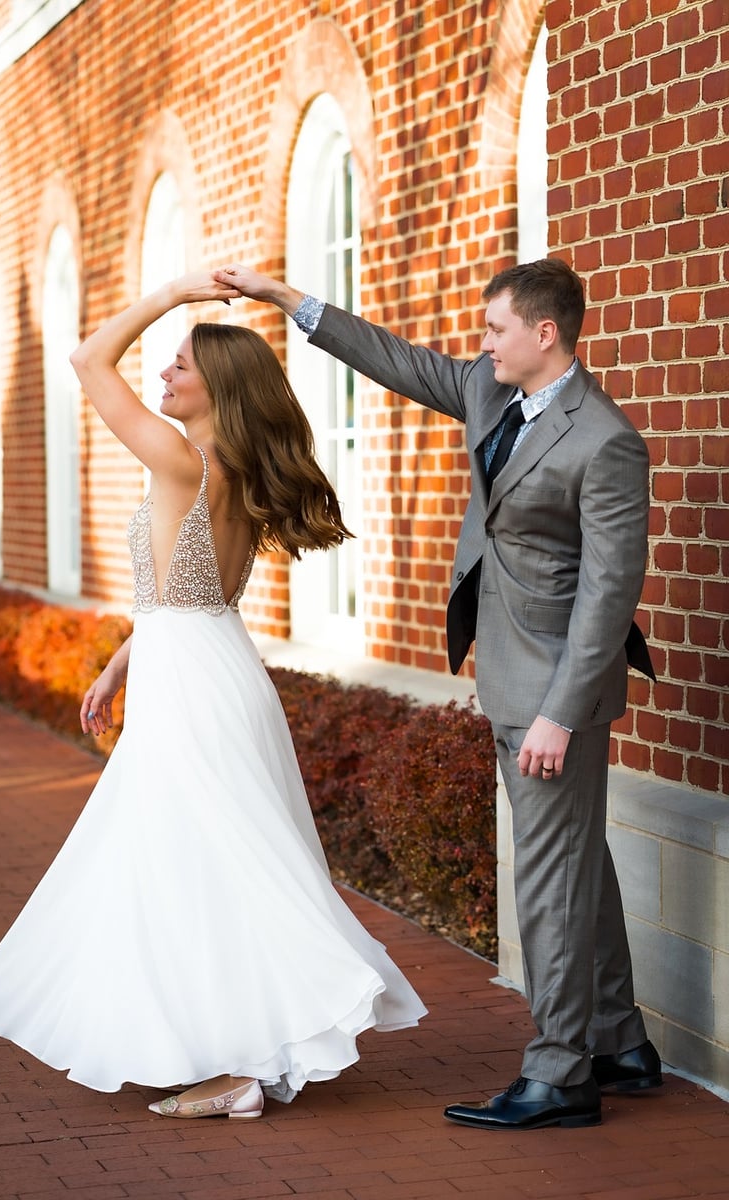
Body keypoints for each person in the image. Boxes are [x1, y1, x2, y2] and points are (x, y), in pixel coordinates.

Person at [0, 270, 427, 1119]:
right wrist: (118, 664)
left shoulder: (181, 461)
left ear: (220, 389)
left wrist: (173, 294)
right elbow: (185, 598)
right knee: (197, 865)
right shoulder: (227, 466)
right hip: (203, 667)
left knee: (215, 866)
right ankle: (234, 1051)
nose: (162, 375)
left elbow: (88, 357)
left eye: (178, 366)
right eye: (166, 363)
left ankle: (250, 1059)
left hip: (199, 686)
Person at [212, 258, 661, 1131]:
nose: (480, 343)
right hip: (507, 672)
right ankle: (621, 1043)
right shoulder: (494, 394)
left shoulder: (605, 440)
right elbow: (397, 359)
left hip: (552, 697)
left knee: (550, 880)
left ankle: (563, 1073)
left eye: (496, 329)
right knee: (576, 865)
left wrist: (561, 715)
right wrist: (286, 300)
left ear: (545, 335)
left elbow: (610, 594)